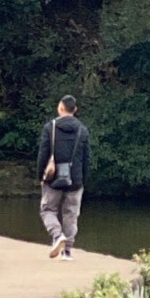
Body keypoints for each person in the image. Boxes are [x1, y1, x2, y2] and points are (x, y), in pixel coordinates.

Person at [39, 95, 92, 258]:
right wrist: (83, 180)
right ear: (75, 110)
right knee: (71, 214)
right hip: (75, 179)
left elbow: (43, 154)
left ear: (60, 108)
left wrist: (40, 175)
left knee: (47, 209)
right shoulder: (83, 130)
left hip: (53, 178)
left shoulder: (51, 128)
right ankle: (67, 251)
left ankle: (57, 235)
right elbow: (86, 159)